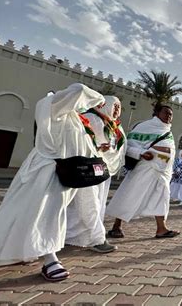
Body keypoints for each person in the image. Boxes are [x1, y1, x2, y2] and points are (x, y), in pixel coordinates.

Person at [0, 84, 105, 281]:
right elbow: (79, 89)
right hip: (44, 170)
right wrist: (99, 99)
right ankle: (49, 258)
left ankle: (26, 250)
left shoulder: (73, 118)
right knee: (42, 212)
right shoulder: (50, 105)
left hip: (63, 171)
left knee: (37, 212)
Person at [105, 104, 180, 239]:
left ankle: (161, 229)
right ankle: (116, 226)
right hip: (144, 168)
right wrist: (141, 153)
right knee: (129, 195)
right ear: (157, 113)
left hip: (162, 172)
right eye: (166, 113)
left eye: (171, 114)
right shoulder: (143, 127)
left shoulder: (167, 131)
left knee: (162, 197)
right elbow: (127, 147)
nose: (169, 116)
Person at [65, 96, 126, 253]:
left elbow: (114, 146)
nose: (117, 110)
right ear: (103, 105)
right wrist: (98, 148)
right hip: (87, 168)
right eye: (115, 106)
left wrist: (105, 149)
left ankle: (74, 236)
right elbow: (79, 141)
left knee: (95, 204)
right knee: (89, 203)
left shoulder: (113, 125)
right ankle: (96, 238)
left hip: (101, 170)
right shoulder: (91, 118)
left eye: (119, 107)